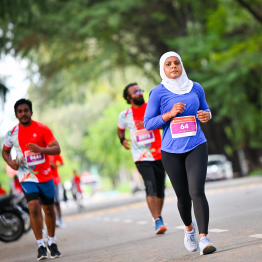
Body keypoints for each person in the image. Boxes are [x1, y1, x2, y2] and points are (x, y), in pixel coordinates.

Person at [144, 51, 216, 255]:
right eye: (168, 64)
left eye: (176, 63)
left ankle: (205, 239)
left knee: (197, 192)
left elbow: (206, 110)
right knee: (183, 197)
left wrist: (206, 115)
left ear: (182, 65)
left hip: (196, 145)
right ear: (163, 69)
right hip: (171, 151)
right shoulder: (158, 92)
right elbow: (149, 123)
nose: (173, 66)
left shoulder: (196, 87)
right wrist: (169, 114)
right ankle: (189, 229)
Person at [2, 99, 61, 260]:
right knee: (34, 207)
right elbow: (5, 152)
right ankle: (41, 246)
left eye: (26, 110)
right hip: (26, 176)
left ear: (31, 112)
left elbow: (57, 148)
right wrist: (10, 162)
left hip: (45, 176)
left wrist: (41, 149)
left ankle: (53, 243)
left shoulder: (42, 129)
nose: (23, 113)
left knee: (48, 210)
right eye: (20, 111)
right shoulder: (11, 134)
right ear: (16, 115)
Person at [118, 83, 167, 234]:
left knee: (160, 188)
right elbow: (120, 131)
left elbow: (163, 124)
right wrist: (123, 140)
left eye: (140, 90)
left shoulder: (152, 108)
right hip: (141, 155)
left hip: (159, 152)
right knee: (150, 185)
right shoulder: (124, 115)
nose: (139, 93)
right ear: (128, 97)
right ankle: (157, 220)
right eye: (135, 92)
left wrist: (149, 125)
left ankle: (158, 216)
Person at [48, 154, 65, 228]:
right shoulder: (43, 152)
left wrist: (55, 165)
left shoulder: (55, 153)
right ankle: (55, 220)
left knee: (57, 201)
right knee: (51, 202)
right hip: (47, 180)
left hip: (55, 180)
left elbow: (62, 162)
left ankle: (60, 219)